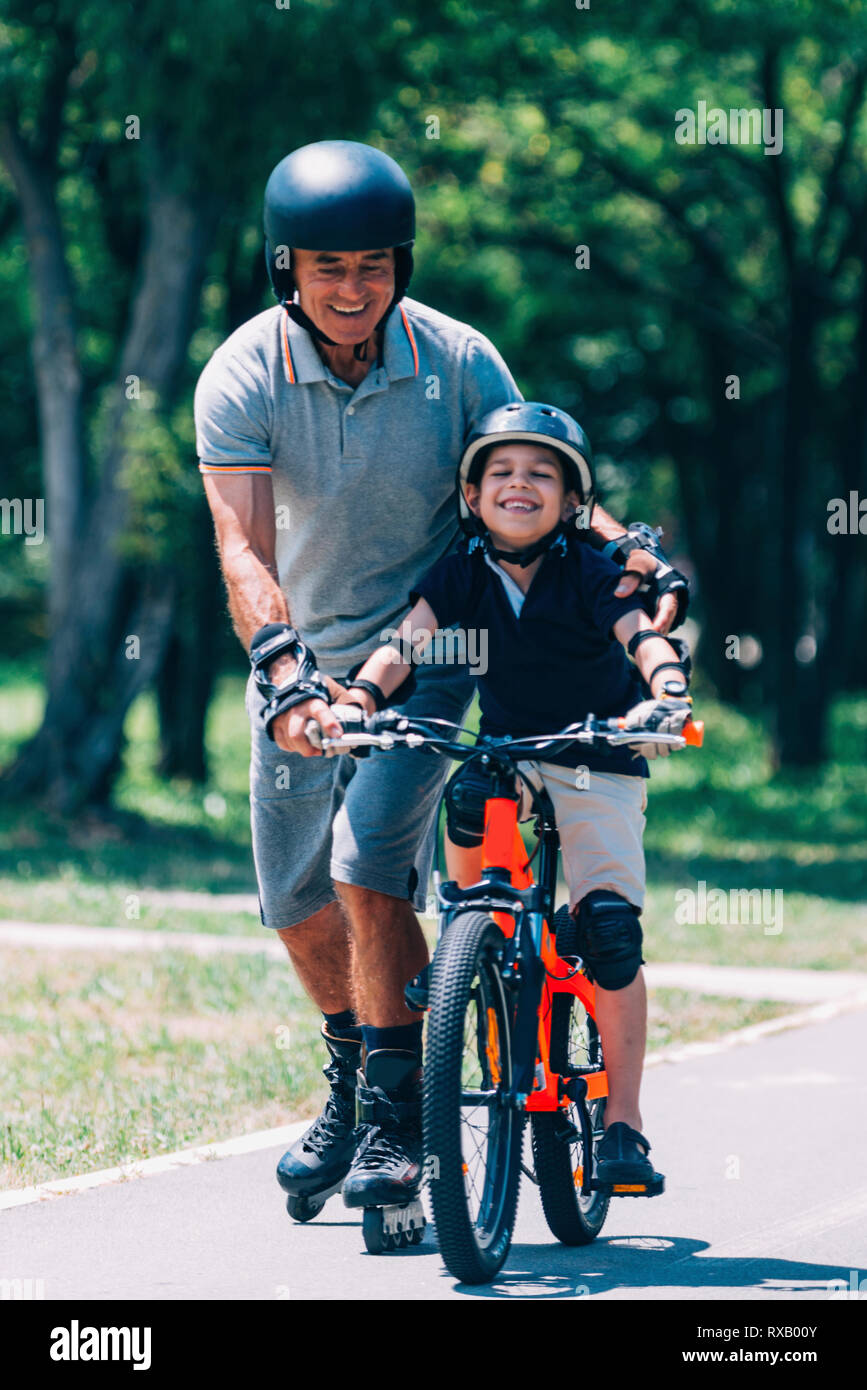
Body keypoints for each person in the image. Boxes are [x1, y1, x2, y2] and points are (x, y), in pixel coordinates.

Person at [195, 140, 689, 1215]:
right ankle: (351, 1068)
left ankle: (391, 1127)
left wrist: (631, 562)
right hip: (303, 665)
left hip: (433, 648)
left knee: (369, 868)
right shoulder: (240, 373)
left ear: (400, 266)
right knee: (294, 902)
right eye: (327, 267)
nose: (352, 288)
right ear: (288, 270)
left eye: (373, 264)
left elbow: (531, 475)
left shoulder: (459, 359)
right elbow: (243, 548)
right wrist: (283, 674)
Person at [344, 402, 695, 1180]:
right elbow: (406, 641)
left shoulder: (592, 572)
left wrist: (666, 690)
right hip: (512, 757)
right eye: (499, 471)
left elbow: (641, 638)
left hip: (596, 758)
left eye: (542, 473)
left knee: (608, 931)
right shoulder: (462, 571)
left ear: (573, 501)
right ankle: (471, 940)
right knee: (468, 798)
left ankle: (623, 1127)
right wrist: (360, 701)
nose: (519, 484)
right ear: (471, 497)